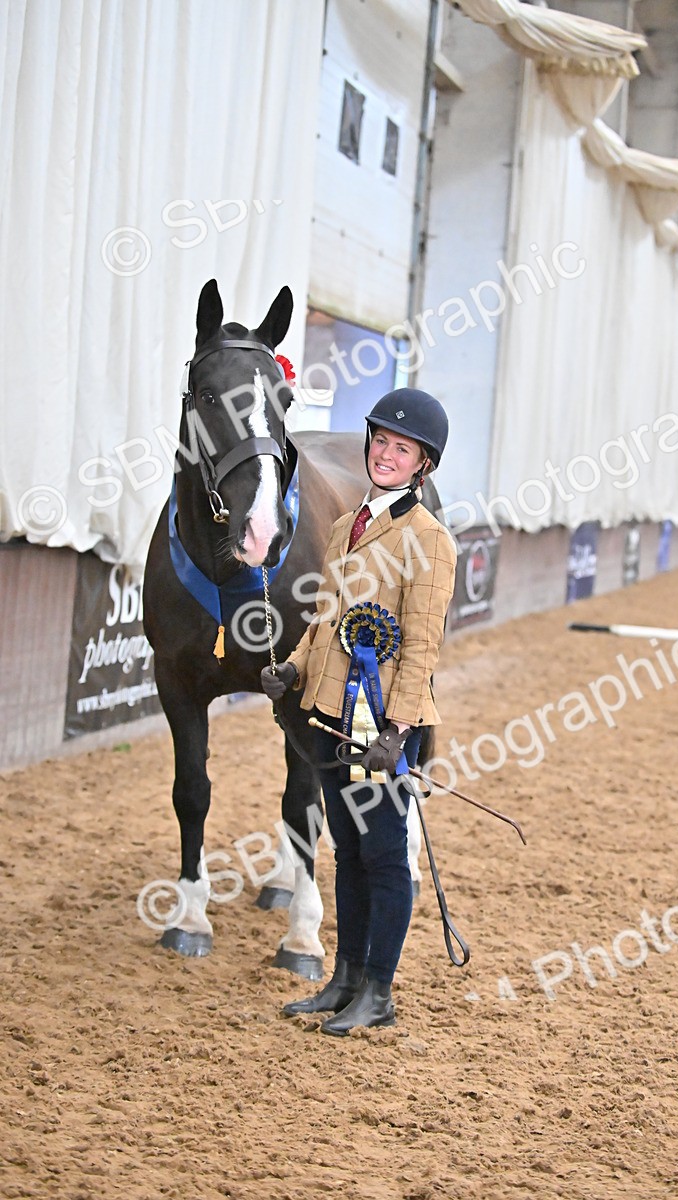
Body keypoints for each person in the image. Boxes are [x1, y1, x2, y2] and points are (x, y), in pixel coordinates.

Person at [261, 388, 457, 1036]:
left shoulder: (429, 541)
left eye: (401, 449)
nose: (385, 454)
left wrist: (397, 732)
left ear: (422, 464)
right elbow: (326, 617)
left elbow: (422, 644)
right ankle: (343, 979)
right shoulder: (349, 524)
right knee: (345, 849)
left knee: (383, 856)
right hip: (329, 713)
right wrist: (292, 665)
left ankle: (379, 990)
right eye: (380, 441)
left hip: (381, 728)